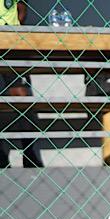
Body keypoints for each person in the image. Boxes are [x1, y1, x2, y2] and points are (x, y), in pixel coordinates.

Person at [0, 0, 43, 168]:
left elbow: (21, 7)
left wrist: (15, 30)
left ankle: (29, 151)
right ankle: (1, 155)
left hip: (11, 41)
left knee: (21, 94)